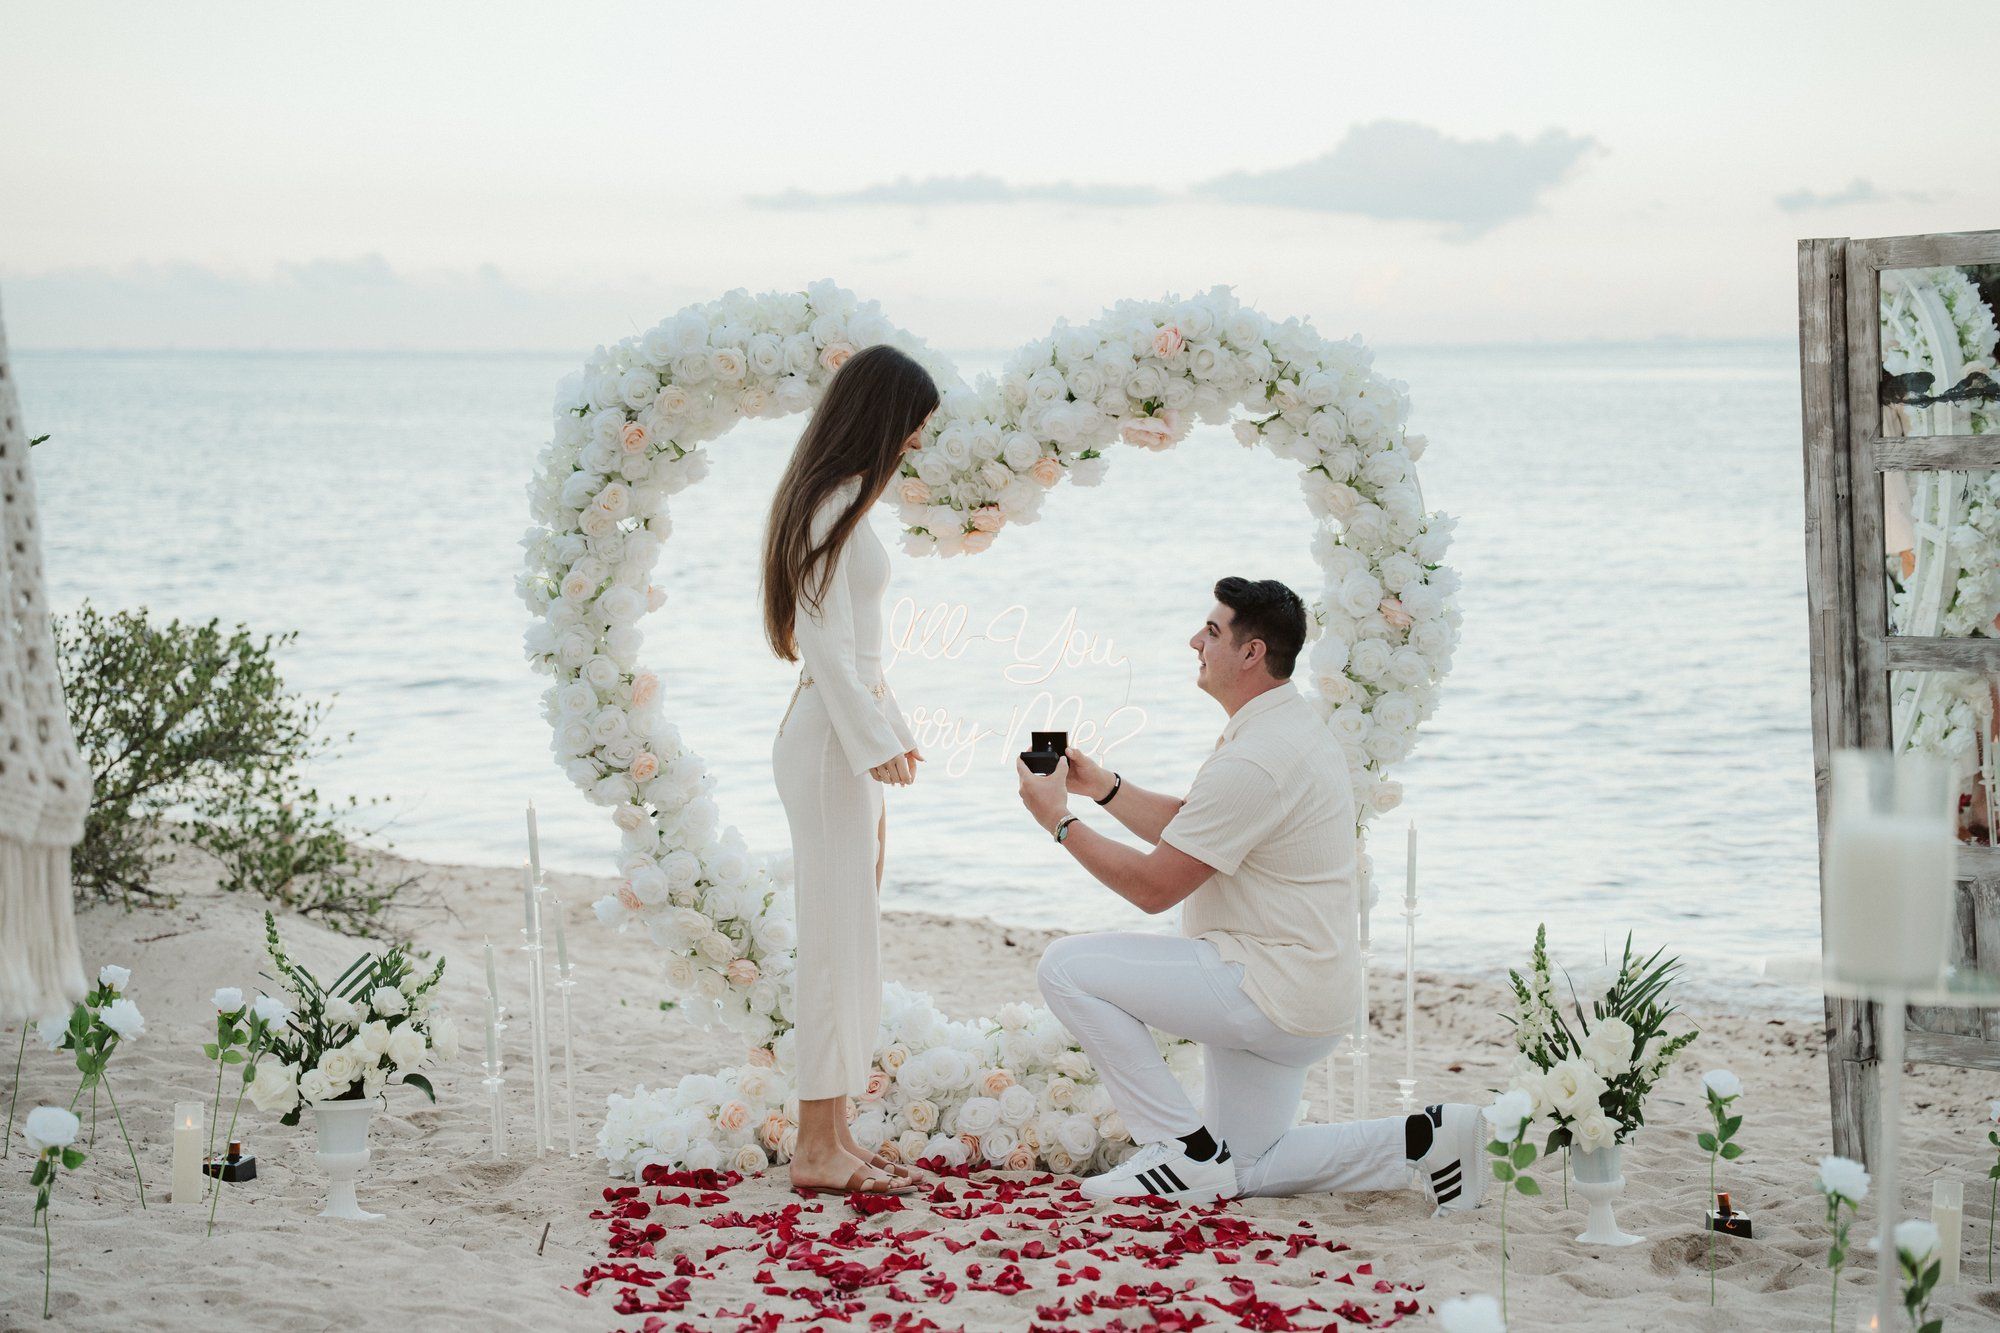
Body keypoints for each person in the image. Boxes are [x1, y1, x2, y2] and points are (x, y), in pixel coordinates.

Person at [1015, 576, 1485, 1212]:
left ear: (1251, 652)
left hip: (1265, 986)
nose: (1194, 642)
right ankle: (1425, 1138)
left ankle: (1181, 1149)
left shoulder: (1259, 756)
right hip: (1302, 992)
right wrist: (1103, 787)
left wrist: (1058, 822)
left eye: (1211, 632)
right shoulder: (1282, 726)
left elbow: (1155, 888)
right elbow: (1202, 826)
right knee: (1249, 1167)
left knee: (1065, 969)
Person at [762, 344, 935, 1196]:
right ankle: (815, 1148)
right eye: (911, 427)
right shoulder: (832, 502)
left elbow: (859, 656)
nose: (913, 444)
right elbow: (827, 648)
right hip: (829, 742)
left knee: (847, 936)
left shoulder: (841, 502)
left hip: (841, 737)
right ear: (883, 416)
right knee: (833, 943)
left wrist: (891, 730)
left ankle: (833, 1134)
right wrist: (872, 739)